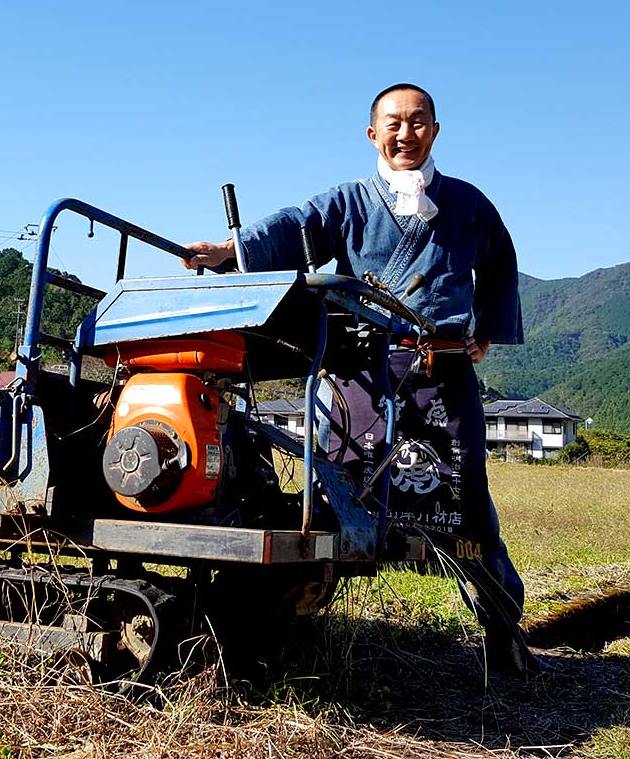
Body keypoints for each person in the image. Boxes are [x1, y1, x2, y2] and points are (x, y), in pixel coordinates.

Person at [185, 83, 542, 676]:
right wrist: (229, 250)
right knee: (332, 501)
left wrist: (487, 329)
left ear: (435, 128)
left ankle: (505, 635)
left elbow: (500, 263)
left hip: (444, 377)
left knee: (469, 510)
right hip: (361, 377)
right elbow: (294, 227)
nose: (406, 133)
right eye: (393, 123)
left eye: (418, 121)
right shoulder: (348, 203)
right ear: (372, 133)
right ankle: (276, 631)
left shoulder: (469, 204)